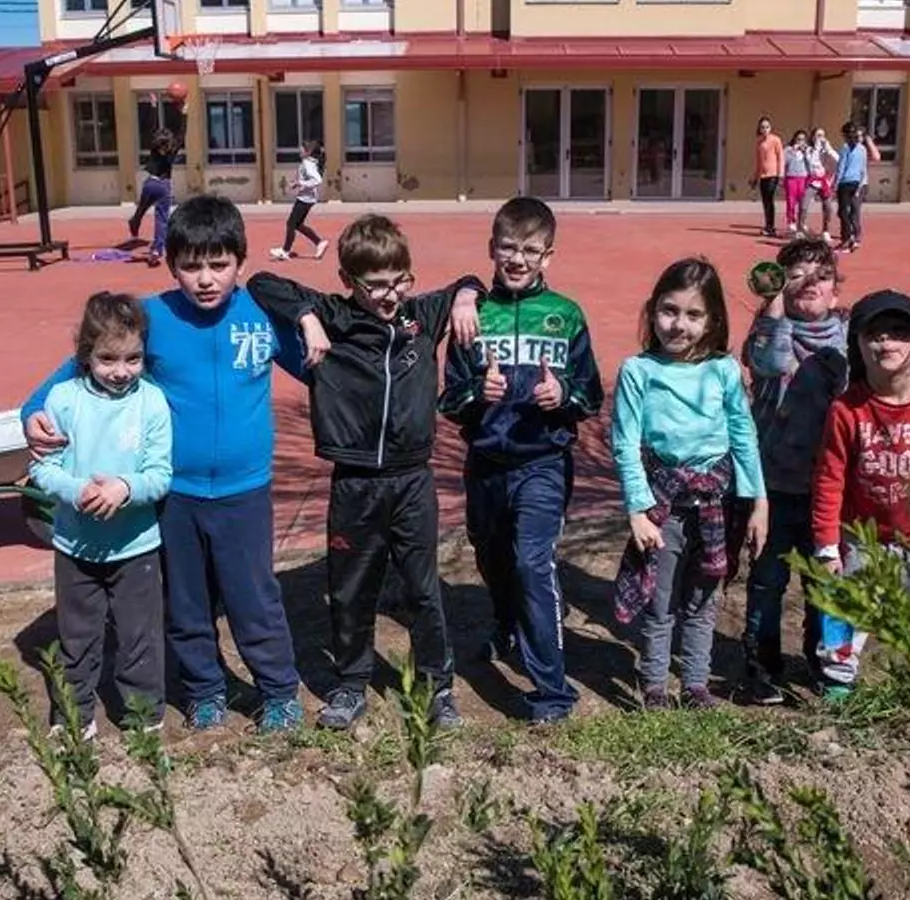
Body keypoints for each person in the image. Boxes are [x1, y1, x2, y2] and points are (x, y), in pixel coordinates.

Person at [23, 194, 309, 734]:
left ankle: (278, 690)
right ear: (172, 265)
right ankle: (204, 689)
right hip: (175, 494)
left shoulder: (263, 315)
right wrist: (32, 412)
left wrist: (310, 321)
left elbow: (321, 366)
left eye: (219, 264)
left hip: (245, 492)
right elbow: (72, 369)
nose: (206, 279)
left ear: (240, 262)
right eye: (191, 266)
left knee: (254, 597)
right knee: (187, 601)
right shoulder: (152, 317)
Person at [249, 216, 485, 730]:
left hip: (413, 481)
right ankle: (351, 683)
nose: (390, 294)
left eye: (401, 280)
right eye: (375, 285)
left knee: (422, 589)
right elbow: (261, 283)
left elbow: (469, 282)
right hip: (354, 482)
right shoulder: (335, 315)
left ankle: (437, 686)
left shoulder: (422, 314)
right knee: (351, 588)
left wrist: (467, 296)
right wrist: (307, 317)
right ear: (347, 281)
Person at [439, 196, 605, 725]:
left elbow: (591, 394)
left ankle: (552, 690)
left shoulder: (566, 315)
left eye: (531, 251)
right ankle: (505, 621)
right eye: (508, 248)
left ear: (548, 256)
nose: (518, 259)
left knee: (533, 562)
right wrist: (476, 394)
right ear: (492, 248)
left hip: (543, 462)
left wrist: (565, 396)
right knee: (492, 556)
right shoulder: (473, 316)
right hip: (486, 463)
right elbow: (449, 399)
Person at [610, 257, 768, 711]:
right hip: (664, 509)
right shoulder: (638, 371)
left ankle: (695, 685)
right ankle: (654, 687)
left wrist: (758, 501)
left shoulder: (723, 371)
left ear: (712, 321)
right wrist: (638, 511)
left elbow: (743, 436)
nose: (679, 325)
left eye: (693, 314)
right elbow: (625, 444)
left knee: (703, 600)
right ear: (653, 310)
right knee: (660, 603)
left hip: (716, 506)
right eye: (669, 310)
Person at [809, 291, 910, 700]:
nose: (887, 343)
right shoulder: (847, 410)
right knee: (845, 610)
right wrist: (827, 546)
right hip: (860, 538)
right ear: (857, 344)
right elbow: (829, 480)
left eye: (899, 333)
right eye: (875, 334)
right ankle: (837, 684)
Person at [29, 291, 173, 740]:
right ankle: (74, 714)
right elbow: (42, 468)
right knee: (77, 636)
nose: (120, 371)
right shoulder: (62, 399)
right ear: (85, 354)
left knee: (139, 636)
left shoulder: (152, 402)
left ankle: (143, 714)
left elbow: (160, 474)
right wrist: (79, 491)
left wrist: (124, 488)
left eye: (133, 359)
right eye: (107, 358)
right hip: (76, 545)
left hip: (136, 547)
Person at [740, 238, 849, 706]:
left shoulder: (849, 340)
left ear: (836, 290)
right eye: (796, 275)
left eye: (820, 275)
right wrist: (775, 309)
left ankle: (828, 665)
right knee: (767, 581)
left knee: (828, 582)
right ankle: (762, 665)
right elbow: (770, 362)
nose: (808, 283)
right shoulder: (768, 329)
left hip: (830, 491)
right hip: (772, 487)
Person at [128, 125, 183, 268]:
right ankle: (156, 250)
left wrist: (153, 108)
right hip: (163, 186)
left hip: (150, 183)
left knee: (141, 208)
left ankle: (134, 222)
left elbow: (150, 129)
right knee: (161, 219)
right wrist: (185, 117)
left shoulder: (154, 149)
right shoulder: (172, 151)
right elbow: (181, 135)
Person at [270, 140, 331, 261]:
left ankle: (285, 251)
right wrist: (298, 184)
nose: (299, 151)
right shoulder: (310, 162)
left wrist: (300, 183)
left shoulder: (307, 163)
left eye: (301, 150)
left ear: (308, 152)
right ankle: (319, 243)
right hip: (308, 198)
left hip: (305, 199)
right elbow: (310, 180)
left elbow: (317, 180)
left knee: (291, 223)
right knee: (297, 225)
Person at [834, 123, 879, 253]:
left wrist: (835, 184)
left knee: (844, 213)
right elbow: (862, 169)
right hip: (856, 182)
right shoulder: (862, 149)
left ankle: (847, 240)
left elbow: (841, 167)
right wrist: (859, 185)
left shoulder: (845, 148)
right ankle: (852, 238)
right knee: (851, 212)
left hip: (845, 183)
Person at [801, 127, 841, 243]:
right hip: (812, 181)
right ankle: (801, 228)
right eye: (818, 136)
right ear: (813, 137)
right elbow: (812, 162)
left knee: (828, 207)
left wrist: (829, 148)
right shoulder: (809, 150)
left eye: (822, 136)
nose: (820, 138)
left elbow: (838, 160)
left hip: (824, 182)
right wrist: (817, 147)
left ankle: (825, 230)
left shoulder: (827, 150)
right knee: (804, 206)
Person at [752, 117, 785, 238]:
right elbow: (759, 162)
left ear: (770, 128)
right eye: (762, 127)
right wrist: (755, 177)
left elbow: (780, 157)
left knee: (770, 200)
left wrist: (780, 175)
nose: (765, 129)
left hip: (773, 175)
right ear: (759, 129)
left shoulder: (776, 140)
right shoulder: (759, 142)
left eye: (767, 127)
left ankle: (771, 227)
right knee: (765, 202)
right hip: (763, 175)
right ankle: (768, 226)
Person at [782, 130, 814, 237]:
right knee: (791, 201)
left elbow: (811, 164)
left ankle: (801, 223)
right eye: (798, 139)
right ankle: (791, 222)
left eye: (803, 140)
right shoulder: (788, 150)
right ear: (795, 139)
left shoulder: (808, 150)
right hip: (791, 178)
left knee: (803, 202)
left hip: (803, 178)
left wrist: (806, 153)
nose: (800, 142)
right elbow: (784, 161)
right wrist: (792, 151)